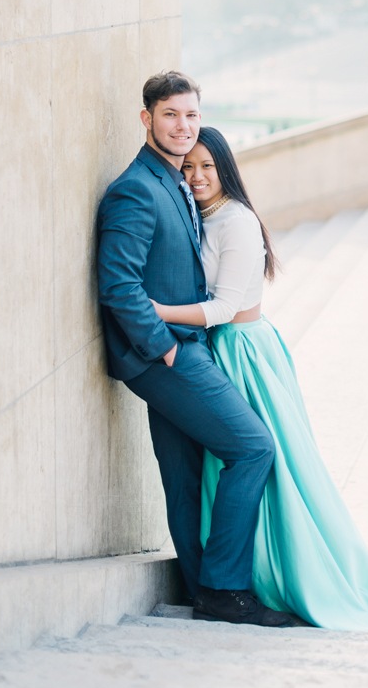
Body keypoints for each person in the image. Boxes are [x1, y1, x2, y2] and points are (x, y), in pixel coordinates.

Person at [150, 124, 368, 635]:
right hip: (218, 350)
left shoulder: (237, 222)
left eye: (208, 166)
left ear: (226, 169)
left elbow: (226, 306)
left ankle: (269, 576)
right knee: (227, 467)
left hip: (243, 350)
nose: (198, 175)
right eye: (189, 166)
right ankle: (223, 576)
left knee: (270, 462)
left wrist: (157, 311)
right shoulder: (199, 216)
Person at [97, 71, 294, 627]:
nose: (183, 127)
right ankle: (225, 590)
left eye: (191, 115)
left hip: (185, 345)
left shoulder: (176, 179)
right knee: (253, 447)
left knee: (183, 476)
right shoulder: (137, 188)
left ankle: (197, 587)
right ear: (147, 119)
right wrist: (165, 349)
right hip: (164, 354)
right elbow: (118, 284)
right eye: (170, 115)